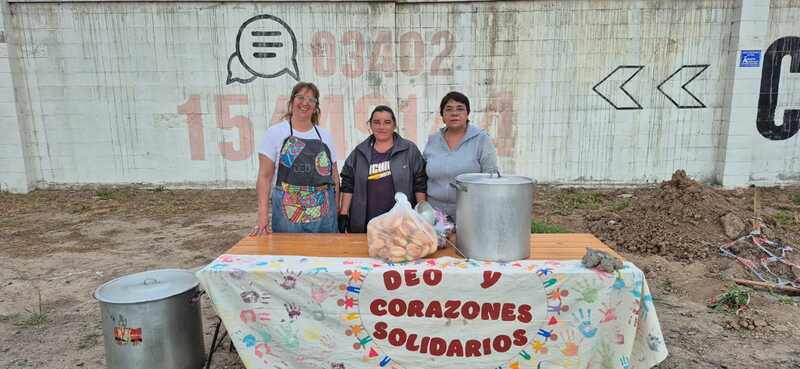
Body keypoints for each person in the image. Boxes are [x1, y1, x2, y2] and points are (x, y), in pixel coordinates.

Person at [250, 82, 339, 234]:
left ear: (316, 106)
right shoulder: (275, 133)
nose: (305, 103)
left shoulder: (324, 136)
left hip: (324, 215)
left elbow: (334, 176)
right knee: (289, 256)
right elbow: (264, 177)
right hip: (288, 213)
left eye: (311, 100)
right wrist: (262, 215)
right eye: (300, 97)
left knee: (324, 256)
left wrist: (335, 212)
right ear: (292, 102)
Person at [339, 105, 427, 233]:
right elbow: (348, 183)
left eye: (387, 122)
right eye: (376, 122)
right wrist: (343, 213)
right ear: (370, 125)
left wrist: (422, 213)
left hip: (401, 223)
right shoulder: (359, 152)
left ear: (394, 125)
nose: (381, 127)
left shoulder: (409, 150)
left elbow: (420, 183)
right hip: (366, 224)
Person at [424, 91, 498, 222]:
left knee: (464, 243)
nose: (454, 113)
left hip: (470, 213)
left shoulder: (481, 139)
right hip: (435, 213)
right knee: (435, 243)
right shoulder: (433, 140)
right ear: (442, 115)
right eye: (448, 109)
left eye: (460, 109)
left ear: (467, 114)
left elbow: (490, 178)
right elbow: (423, 174)